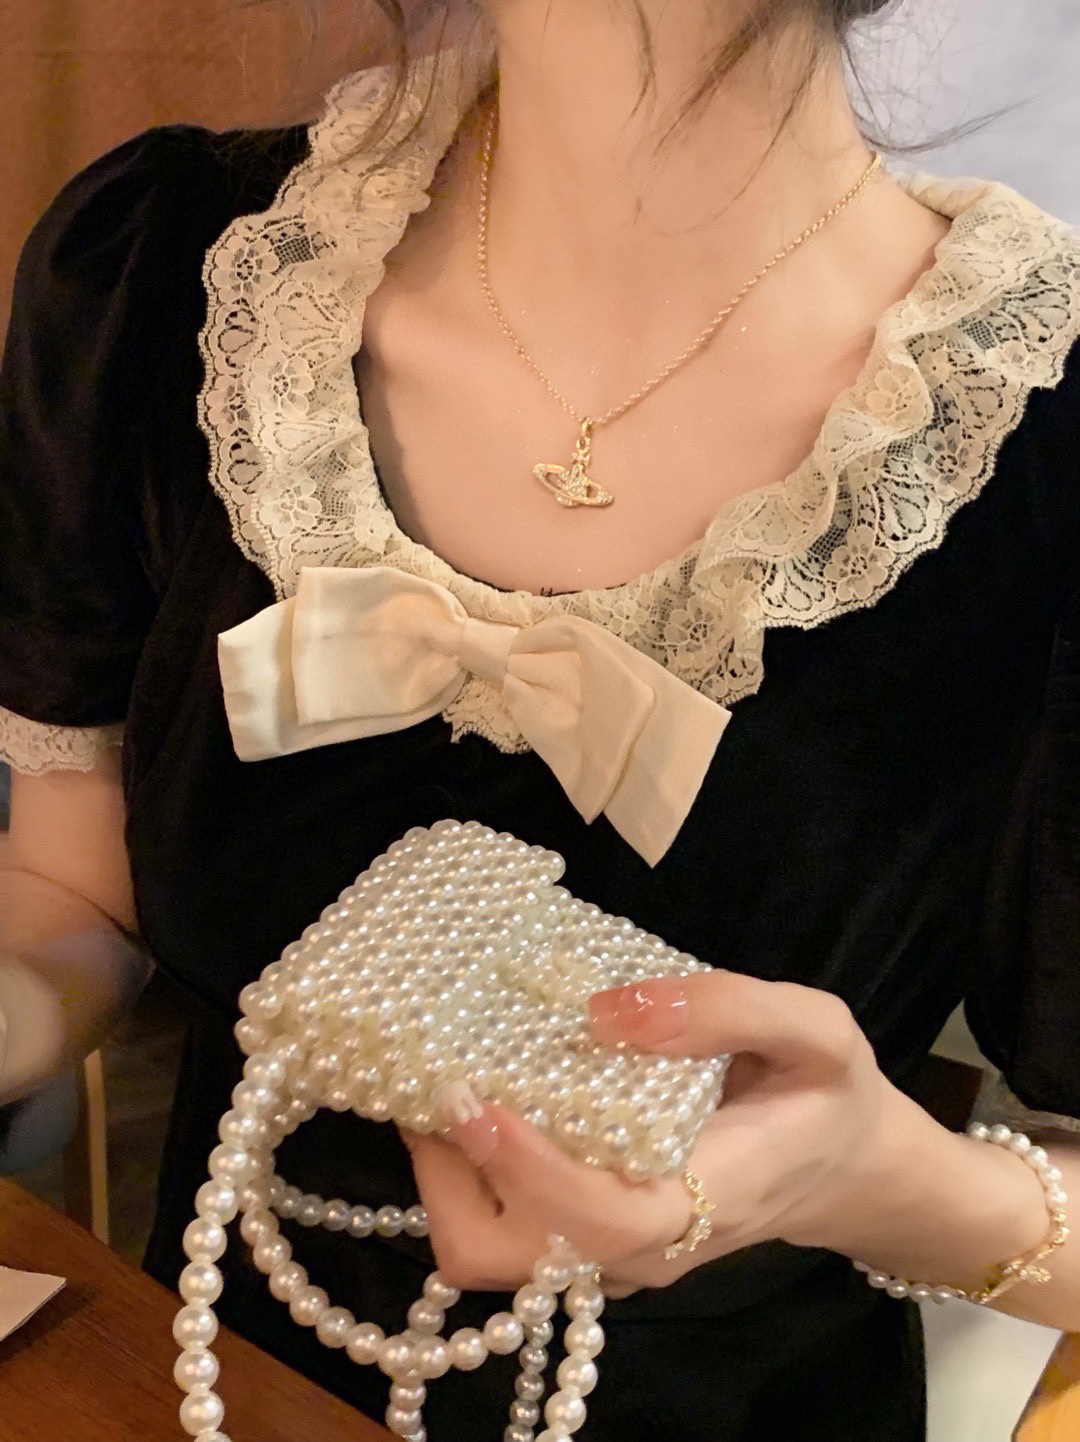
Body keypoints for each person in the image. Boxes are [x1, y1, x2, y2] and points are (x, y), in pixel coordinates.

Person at [1, 1, 1079, 1438]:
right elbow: (73, 891)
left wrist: (882, 1178)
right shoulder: (164, 270)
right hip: (207, 1380)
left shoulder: (1041, 430)